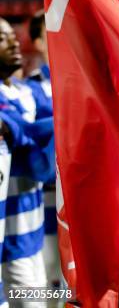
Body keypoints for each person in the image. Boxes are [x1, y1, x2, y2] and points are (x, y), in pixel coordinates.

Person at [0, 17, 55, 307]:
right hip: (11, 237)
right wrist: (67, 121)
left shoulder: (24, 92)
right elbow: (24, 134)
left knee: (55, 297)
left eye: (13, 36)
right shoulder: (28, 90)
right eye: (2, 38)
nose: (13, 43)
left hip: (32, 229)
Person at [25, 11, 60, 293]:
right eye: (52, 29)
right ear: (37, 42)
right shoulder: (30, 89)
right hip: (45, 200)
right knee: (48, 282)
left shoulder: (85, 84)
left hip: (81, 198)